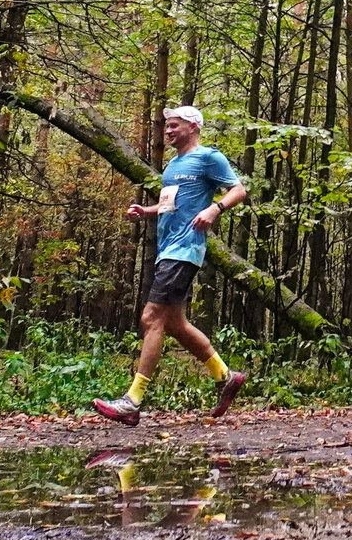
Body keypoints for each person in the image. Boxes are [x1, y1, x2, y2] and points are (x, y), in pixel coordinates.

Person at [93, 106, 249, 425]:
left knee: (151, 318)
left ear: (192, 126)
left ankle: (132, 401)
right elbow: (171, 204)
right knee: (176, 325)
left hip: (185, 249)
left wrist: (215, 209)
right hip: (168, 248)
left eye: (174, 125)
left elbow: (239, 190)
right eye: (166, 126)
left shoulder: (209, 157)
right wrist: (148, 212)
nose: (168, 131)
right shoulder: (173, 166)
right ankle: (225, 376)